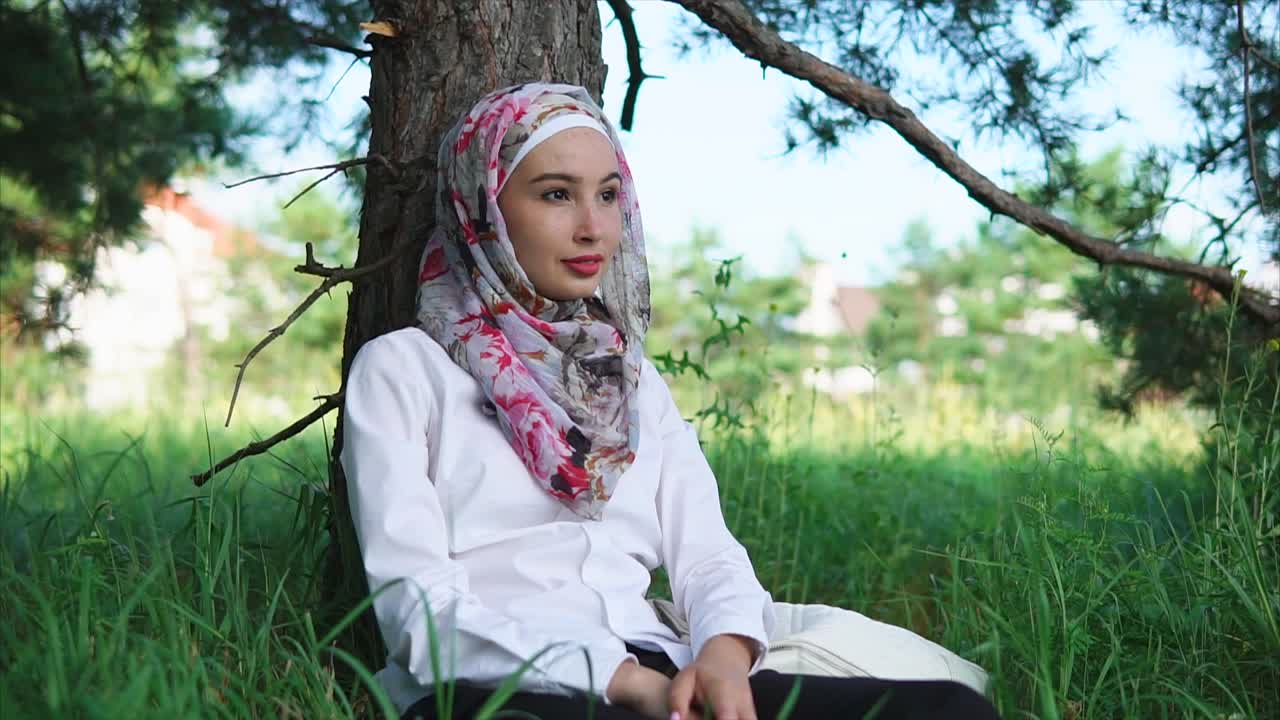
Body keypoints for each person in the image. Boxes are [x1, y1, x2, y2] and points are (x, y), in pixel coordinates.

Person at [340, 82, 1000, 720]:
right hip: (504, 686)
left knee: (951, 709)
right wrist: (625, 684)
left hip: (663, 670)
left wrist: (722, 655)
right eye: (555, 195)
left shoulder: (627, 378)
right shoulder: (404, 372)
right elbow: (417, 611)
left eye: (607, 194)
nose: (593, 227)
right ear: (482, 207)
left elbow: (709, 555)